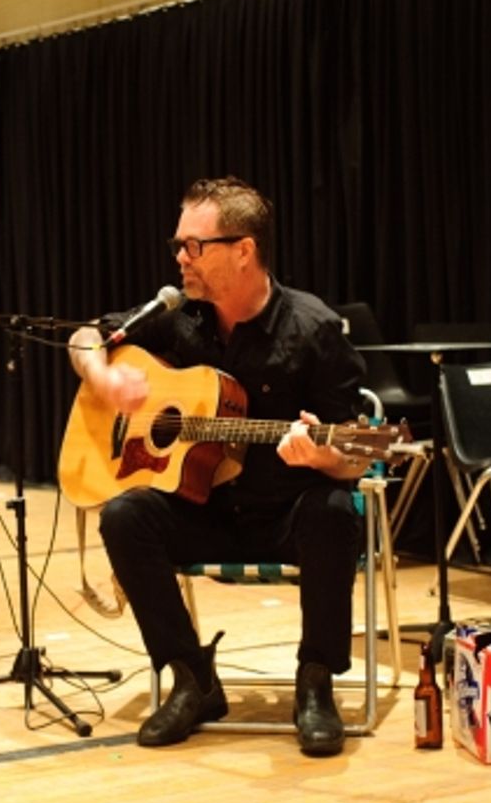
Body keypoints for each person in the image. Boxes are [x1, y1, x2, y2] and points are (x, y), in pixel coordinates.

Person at [68, 177, 368, 757]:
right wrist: (104, 377)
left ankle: (315, 683)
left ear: (244, 250)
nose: (181, 258)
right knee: (126, 515)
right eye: (178, 245)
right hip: (202, 508)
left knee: (334, 511)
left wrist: (325, 455)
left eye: (193, 246)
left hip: (286, 512)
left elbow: (354, 457)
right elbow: (85, 336)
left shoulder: (313, 329)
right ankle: (191, 677)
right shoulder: (179, 315)